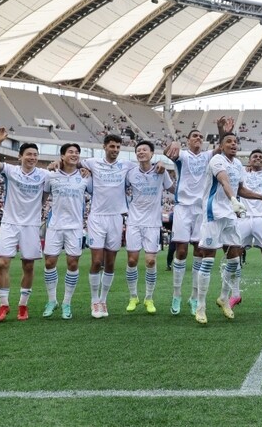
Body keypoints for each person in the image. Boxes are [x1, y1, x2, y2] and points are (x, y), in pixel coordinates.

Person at [194, 132, 262, 324]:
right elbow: (224, 180)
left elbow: (240, 188)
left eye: (236, 142)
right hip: (214, 213)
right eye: (229, 141)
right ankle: (200, 306)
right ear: (221, 145)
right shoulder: (216, 160)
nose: (233, 144)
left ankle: (223, 298)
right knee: (209, 260)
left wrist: (261, 197)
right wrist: (234, 200)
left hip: (230, 215)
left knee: (235, 260)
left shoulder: (238, 165)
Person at [163, 119, 231, 316]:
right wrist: (173, 143)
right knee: (181, 251)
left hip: (201, 209)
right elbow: (169, 152)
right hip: (184, 208)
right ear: (188, 140)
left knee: (200, 251)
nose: (198, 139)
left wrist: (220, 130)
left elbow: (220, 148)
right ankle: (177, 295)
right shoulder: (182, 155)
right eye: (195, 136)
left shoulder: (208, 155)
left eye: (201, 137)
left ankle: (194, 297)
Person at [0, 127, 49, 322]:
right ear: (20, 156)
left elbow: (46, 193)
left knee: (28, 266)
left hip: (31, 226)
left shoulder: (44, 175)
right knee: (2, 263)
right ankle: (3, 305)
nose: (32, 157)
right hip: (10, 223)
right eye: (29, 154)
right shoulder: (10, 171)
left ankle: (22, 306)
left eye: (35, 155)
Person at [81, 134, 136, 319]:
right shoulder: (92, 162)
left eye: (118, 147)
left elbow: (145, 169)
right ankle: (94, 300)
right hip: (97, 217)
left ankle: (103, 300)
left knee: (110, 263)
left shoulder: (127, 165)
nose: (115, 150)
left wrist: (159, 166)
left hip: (116, 217)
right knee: (97, 261)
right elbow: (72, 163)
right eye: (112, 146)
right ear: (104, 147)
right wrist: (56, 164)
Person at [41, 143, 90, 320]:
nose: (74, 154)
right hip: (55, 225)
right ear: (62, 156)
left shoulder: (85, 176)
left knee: (73, 264)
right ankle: (52, 300)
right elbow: (43, 197)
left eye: (77, 152)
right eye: (71, 152)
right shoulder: (51, 175)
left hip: (75, 227)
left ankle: (67, 302)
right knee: (49, 263)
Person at [125, 140, 174, 315]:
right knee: (132, 261)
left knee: (151, 261)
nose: (141, 152)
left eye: (144, 150)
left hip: (153, 223)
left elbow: (173, 189)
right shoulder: (130, 173)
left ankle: (149, 298)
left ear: (152, 154)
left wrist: (165, 164)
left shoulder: (161, 171)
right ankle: (133, 296)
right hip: (134, 222)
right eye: (138, 150)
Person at [238, 148, 262, 314]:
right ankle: (235, 294)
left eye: (261, 157)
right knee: (235, 254)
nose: (258, 158)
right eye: (254, 156)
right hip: (244, 218)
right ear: (249, 160)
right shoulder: (241, 172)